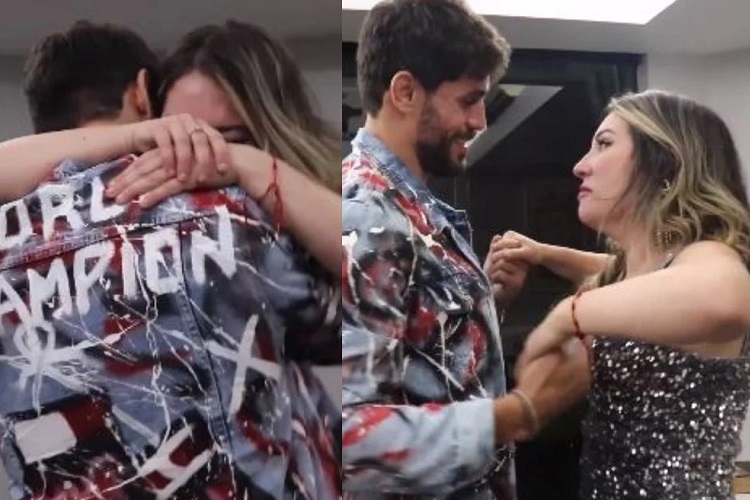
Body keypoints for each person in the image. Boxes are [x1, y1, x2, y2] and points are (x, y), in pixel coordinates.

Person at [0, 20, 341, 499]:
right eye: (188, 136)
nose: (201, 160)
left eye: (227, 140)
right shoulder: (228, 216)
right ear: (145, 94)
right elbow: (363, 302)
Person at [341, 1, 591, 498]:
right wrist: (522, 411)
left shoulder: (412, 209)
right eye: (469, 100)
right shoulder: (367, 217)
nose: (480, 120)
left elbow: (418, 356)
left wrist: (487, 306)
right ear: (405, 92)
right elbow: (351, 440)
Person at [502, 90, 750, 498]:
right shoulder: (638, 271)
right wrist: (544, 254)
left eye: (604, 144)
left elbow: (727, 296)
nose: (580, 166)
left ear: (663, 162)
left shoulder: (707, 257)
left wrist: (569, 314)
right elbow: (610, 270)